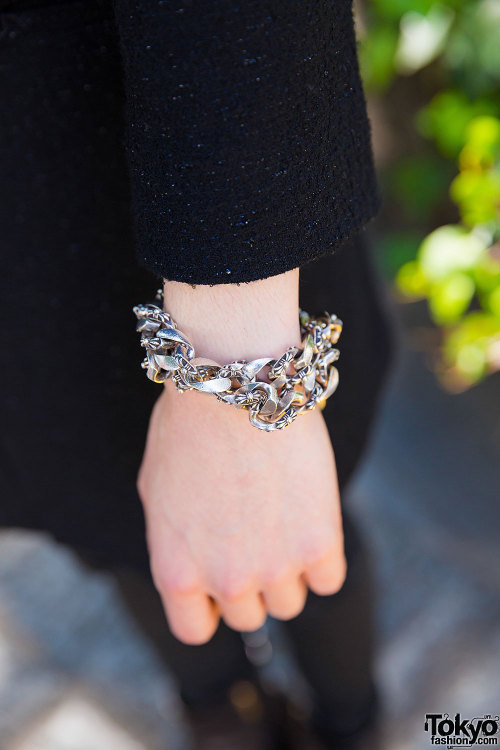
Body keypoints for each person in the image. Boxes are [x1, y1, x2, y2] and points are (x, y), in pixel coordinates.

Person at [0, 0, 396, 746]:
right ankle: (226, 716)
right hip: (32, 347)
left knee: (304, 535)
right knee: (124, 540)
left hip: (164, 172)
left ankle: (350, 721)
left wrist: (237, 366)